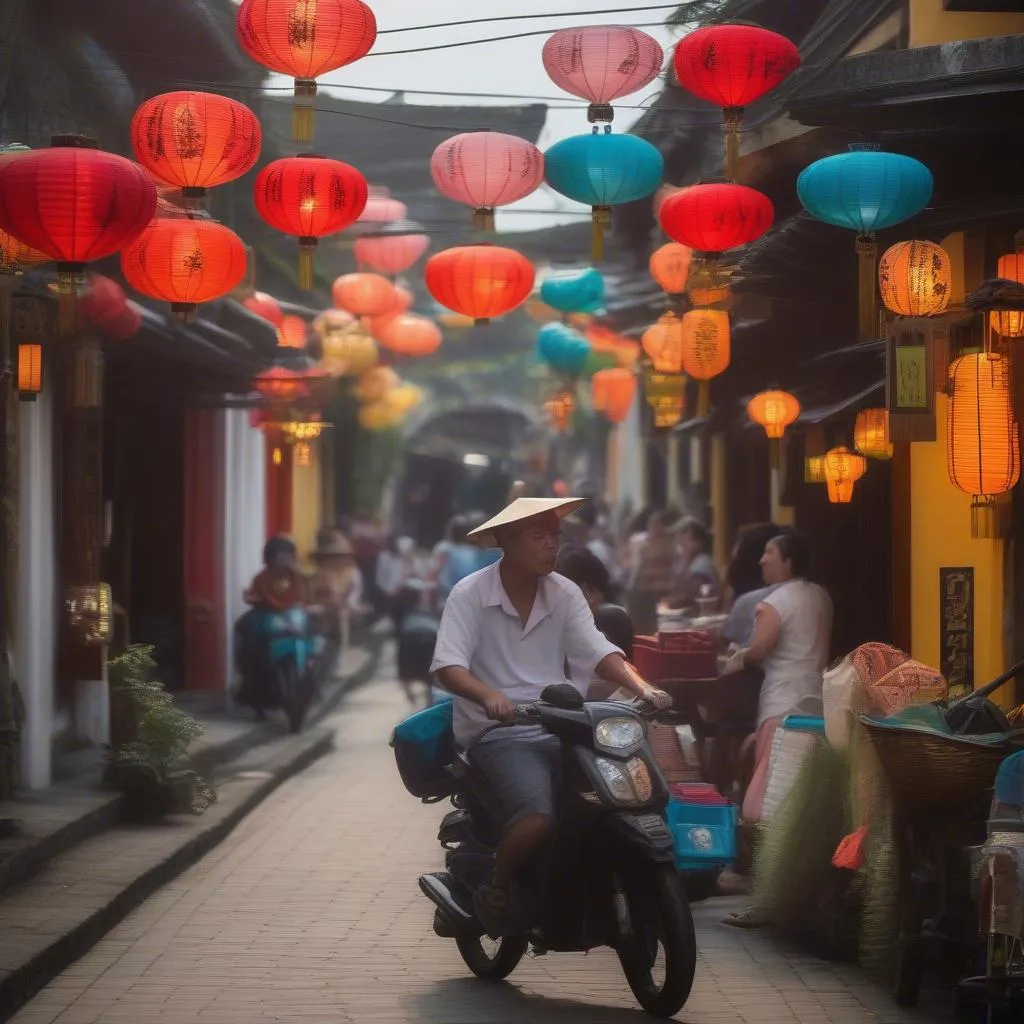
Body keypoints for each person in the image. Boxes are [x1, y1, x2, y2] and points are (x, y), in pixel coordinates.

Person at [430, 496, 672, 936]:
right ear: (505, 541)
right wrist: (489, 696)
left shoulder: (565, 592)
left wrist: (644, 688)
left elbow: (599, 651)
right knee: (537, 815)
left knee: (614, 795)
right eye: (538, 536)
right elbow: (449, 666)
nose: (550, 545)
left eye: (554, 535)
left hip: (561, 723)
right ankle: (497, 887)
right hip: (497, 732)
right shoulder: (469, 595)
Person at [721, 530, 832, 928]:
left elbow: (762, 649)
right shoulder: (820, 597)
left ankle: (766, 899)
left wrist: (740, 657)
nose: (762, 560)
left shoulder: (773, 603)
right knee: (800, 802)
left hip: (781, 705)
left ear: (787, 562)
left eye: (769, 553)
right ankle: (790, 896)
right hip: (816, 704)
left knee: (766, 804)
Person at [624, 509, 678, 634]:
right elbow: (635, 570)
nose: (655, 528)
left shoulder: (670, 544)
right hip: (644, 595)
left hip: (664, 595)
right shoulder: (641, 544)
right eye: (652, 524)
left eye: (658, 524)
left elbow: (674, 569)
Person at [670, 516, 719, 612]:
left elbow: (687, 599)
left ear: (698, 543)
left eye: (685, 539)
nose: (678, 542)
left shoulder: (703, 562)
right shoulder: (683, 563)